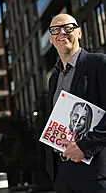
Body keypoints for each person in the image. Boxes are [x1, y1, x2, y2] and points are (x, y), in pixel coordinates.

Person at [45, 13, 106, 193]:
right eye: (55, 29)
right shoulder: (53, 78)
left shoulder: (99, 63)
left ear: (79, 33)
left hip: (94, 173)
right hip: (62, 175)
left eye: (68, 28)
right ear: (50, 39)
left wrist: (85, 146)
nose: (62, 32)